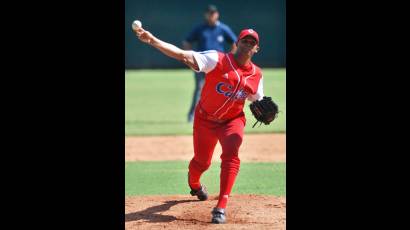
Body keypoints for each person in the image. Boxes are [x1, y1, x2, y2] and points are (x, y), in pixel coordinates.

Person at [134, 25, 264, 224]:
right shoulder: (218, 59)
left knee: (231, 153)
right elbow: (182, 55)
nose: (248, 44)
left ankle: (221, 206)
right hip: (205, 120)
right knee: (201, 162)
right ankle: (195, 184)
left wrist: (263, 109)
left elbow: (258, 100)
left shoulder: (257, 74)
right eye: (245, 40)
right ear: (236, 43)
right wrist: (152, 40)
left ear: (256, 49)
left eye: (252, 42)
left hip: (232, 121)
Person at [183, 4, 237, 122]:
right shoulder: (200, 28)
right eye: (209, 13)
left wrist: (231, 58)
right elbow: (187, 42)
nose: (211, 15)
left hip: (219, 66)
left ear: (217, 14)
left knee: (220, 90)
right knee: (199, 89)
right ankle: (192, 115)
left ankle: (221, 115)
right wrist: (190, 59)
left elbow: (235, 43)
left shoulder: (223, 28)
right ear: (206, 15)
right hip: (202, 65)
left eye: (213, 13)